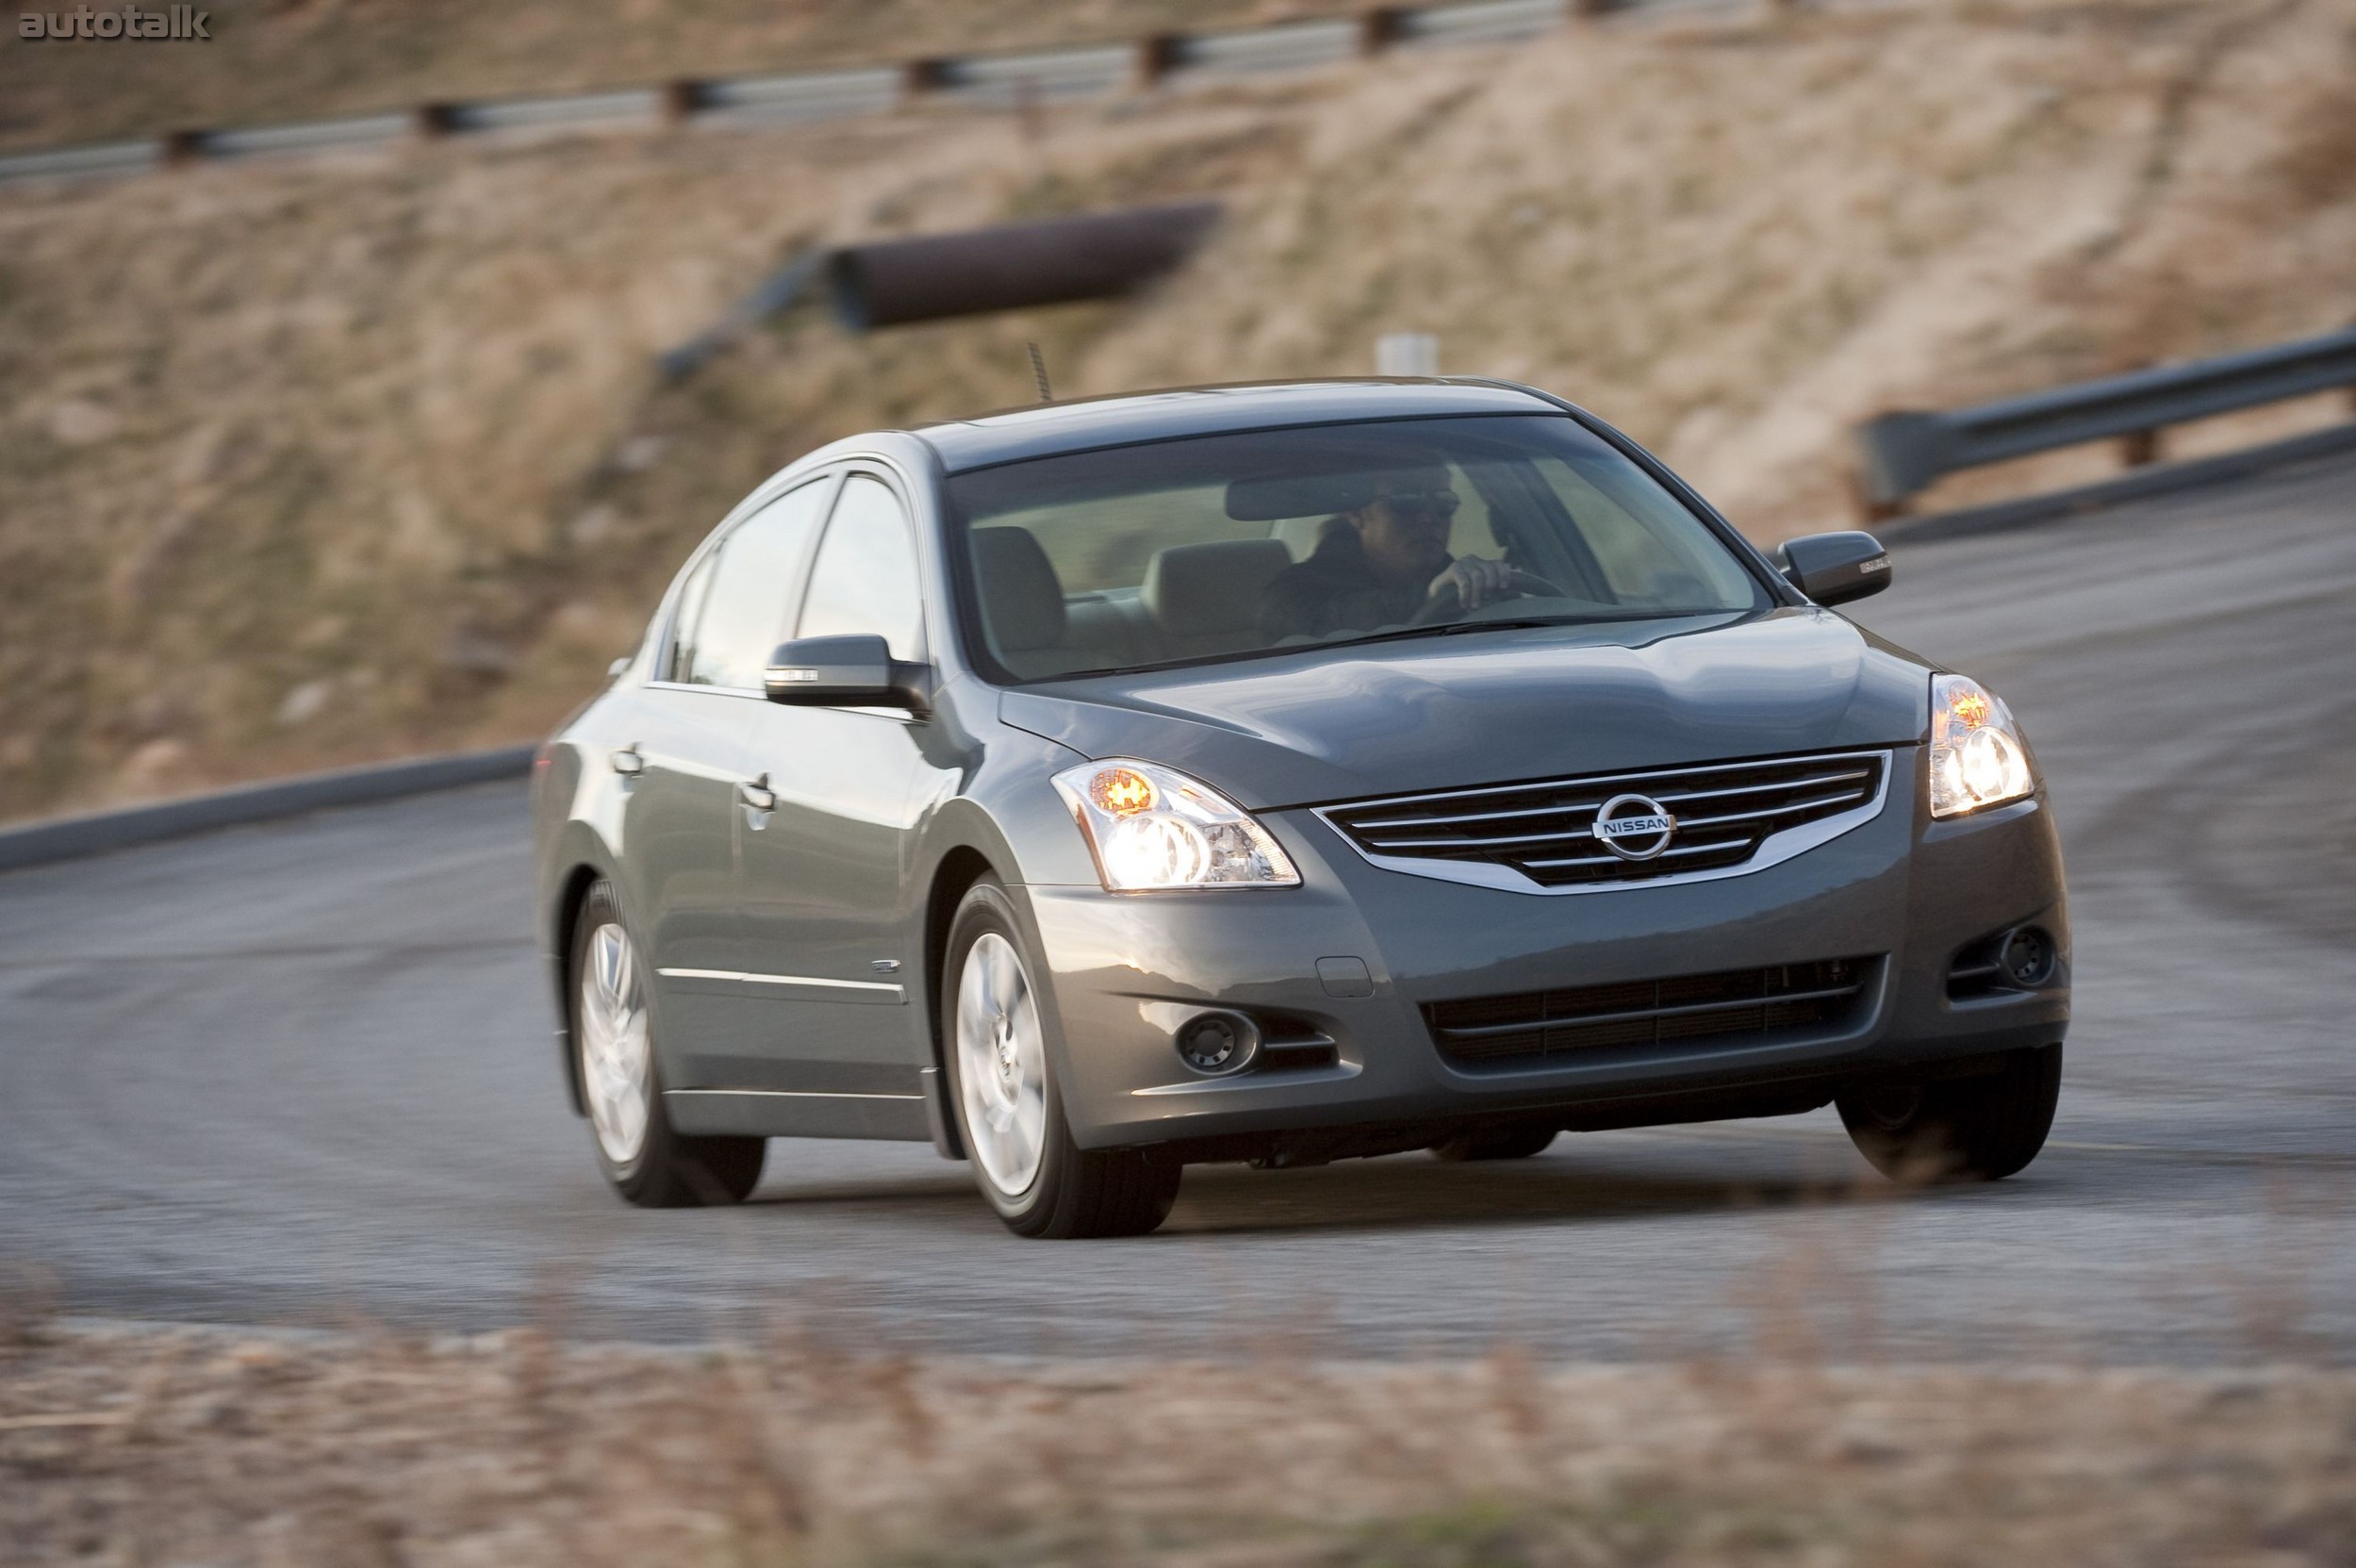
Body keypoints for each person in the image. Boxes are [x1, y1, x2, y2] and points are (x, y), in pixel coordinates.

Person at [1256, 462, 1519, 642]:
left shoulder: (1470, 585)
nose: (1429, 518)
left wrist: (1493, 586)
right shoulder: (1291, 593)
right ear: (1357, 514)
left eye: (1444, 503)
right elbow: (1332, 620)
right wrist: (1431, 597)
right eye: (1407, 502)